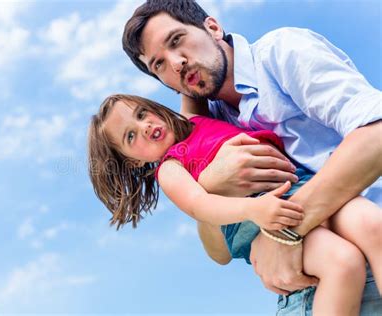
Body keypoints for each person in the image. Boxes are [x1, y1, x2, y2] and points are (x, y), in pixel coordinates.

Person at [121, 0, 382, 314]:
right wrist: (211, 186)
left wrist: (283, 232)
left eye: (176, 40)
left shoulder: (282, 52)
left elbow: (377, 133)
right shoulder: (210, 127)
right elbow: (219, 253)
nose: (176, 63)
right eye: (159, 65)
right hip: (314, 283)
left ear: (213, 28)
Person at [87, 94, 381, 314]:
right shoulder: (170, 168)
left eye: (141, 114)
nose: (144, 126)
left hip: (303, 187)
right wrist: (255, 210)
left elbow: (185, 78)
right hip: (256, 216)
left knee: (374, 225)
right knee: (342, 262)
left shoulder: (193, 119)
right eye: (130, 136)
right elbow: (200, 205)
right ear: (134, 161)